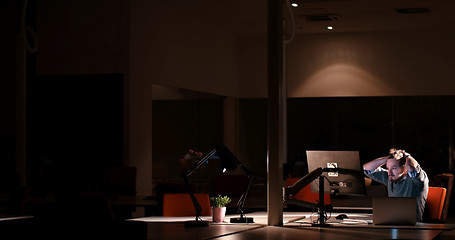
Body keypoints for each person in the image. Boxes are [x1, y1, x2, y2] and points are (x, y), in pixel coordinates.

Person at [363, 148, 429, 222]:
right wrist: (388, 158)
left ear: (405, 168)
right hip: (394, 223)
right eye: (388, 168)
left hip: (414, 226)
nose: (390, 172)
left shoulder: (417, 180)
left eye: (394, 168)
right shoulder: (390, 177)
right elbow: (367, 169)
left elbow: (411, 167)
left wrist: (406, 156)